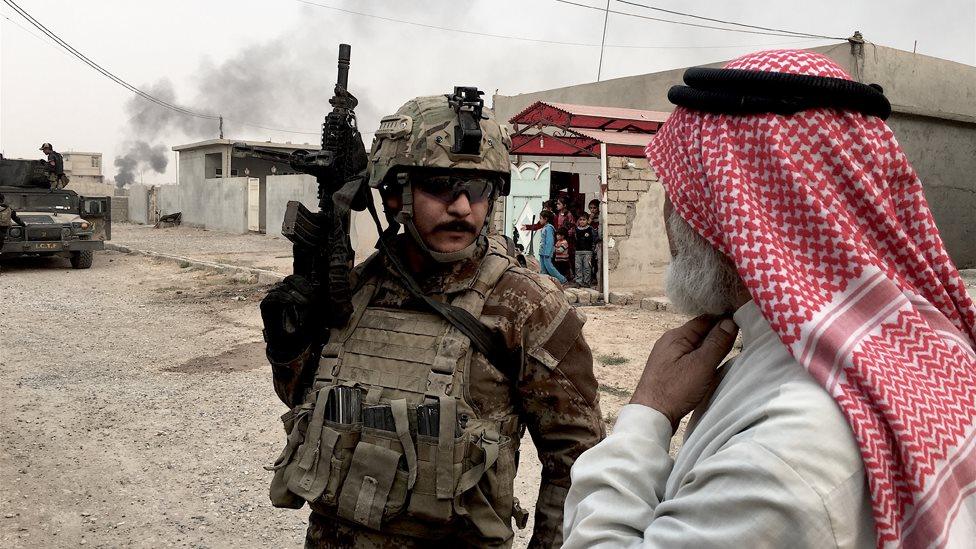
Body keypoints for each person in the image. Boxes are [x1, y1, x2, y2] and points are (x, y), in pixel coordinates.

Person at [563, 50, 975, 547]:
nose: (671, 213)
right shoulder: (928, 346)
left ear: (726, 208)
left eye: (677, 190)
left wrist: (647, 414)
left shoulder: (784, 457)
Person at [261, 87, 603, 548]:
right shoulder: (357, 291)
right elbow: (305, 403)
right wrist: (288, 345)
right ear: (396, 195)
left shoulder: (527, 306)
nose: (462, 206)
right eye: (440, 186)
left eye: (478, 189)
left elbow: (577, 463)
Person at [537, 209, 566, 285]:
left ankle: (562, 279)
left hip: (546, 252)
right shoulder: (545, 228)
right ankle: (544, 282)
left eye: (540, 218)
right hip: (542, 251)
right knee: (543, 268)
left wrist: (547, 252)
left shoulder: (549, 228)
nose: (539, 220)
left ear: (545, 219)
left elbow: (550, 241)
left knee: (549, 267)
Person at [0, 192, 26, 260]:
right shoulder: (8, 209)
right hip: (3, 230)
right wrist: (23, 224)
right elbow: (15, 218)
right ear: (2, 200)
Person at [573, 213, 595, 288]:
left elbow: (593, 239)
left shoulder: (590, 229)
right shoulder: (576, 230)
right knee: (578, 267)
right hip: (578, 252)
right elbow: (575, 240)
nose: (582, 221)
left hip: (588, 252)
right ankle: (579, 282)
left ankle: (586, 282)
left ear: (587, 220)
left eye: (584, 220)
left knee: (587, 267)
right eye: (580, 220)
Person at [587, 199, 601, 287]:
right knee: (590, 261)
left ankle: (596, 278)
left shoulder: (600, 217)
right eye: (591, 208)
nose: (593, 210)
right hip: (590, 242)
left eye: (595, 208)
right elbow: (586, 226)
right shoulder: (588, 217)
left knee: (596, 261)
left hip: (597, 242)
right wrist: (590, 219)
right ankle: (590, 278)